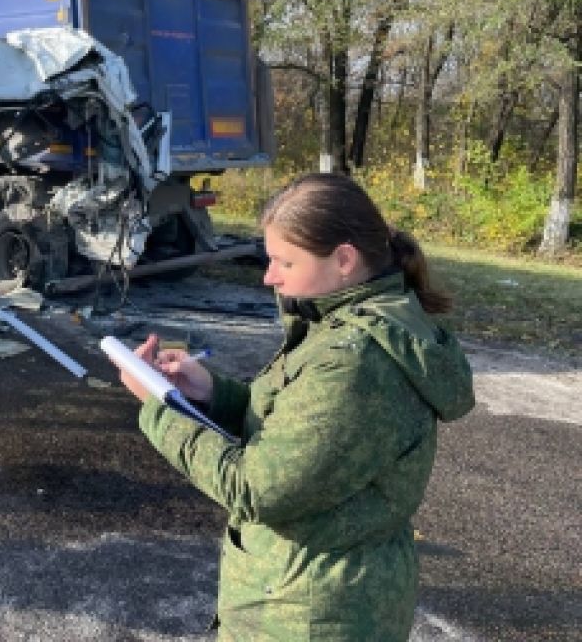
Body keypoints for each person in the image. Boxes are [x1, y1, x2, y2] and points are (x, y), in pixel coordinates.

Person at [117, 172, 475, 642]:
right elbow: (299, 430)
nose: (269, 277)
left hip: (311, 613)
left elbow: (257, 490)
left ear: (344, 259)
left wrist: (159, 410)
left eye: (284, 261)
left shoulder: (355, 362)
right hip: (308, 592)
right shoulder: (344, 324)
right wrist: (209, 391)